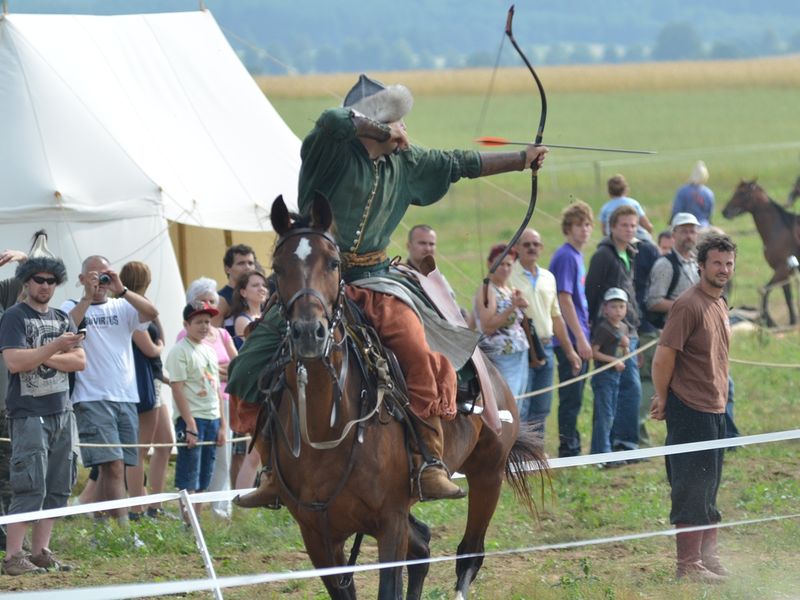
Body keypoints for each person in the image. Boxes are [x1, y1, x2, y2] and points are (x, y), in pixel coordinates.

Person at [228, 73, 548, 506]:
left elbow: (460, 163)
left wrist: (521, 159)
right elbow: (328, 121)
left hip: (378, 282)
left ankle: (429, 461)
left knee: (421, 355)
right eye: (396, 120)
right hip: (313, 282)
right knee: (249, 366)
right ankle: (271, 471)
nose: (404, 129)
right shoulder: (331, 155)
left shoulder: (406, 164)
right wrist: (377, 127)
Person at [650, 233, 737, 582]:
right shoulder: (688, 304)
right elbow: (663, 356)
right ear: (701, 265)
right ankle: (688, 565)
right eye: (717, 263)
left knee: (710, 484)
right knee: (690, 485)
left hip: (716, 408)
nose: (724, 269)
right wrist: (663, 397)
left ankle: (707, 558)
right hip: (691, 408)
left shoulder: (719, 302)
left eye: (729, 263)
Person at [0, 247, 84, 575]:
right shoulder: (14, 317)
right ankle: (13, 557)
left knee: (58, 485)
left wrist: (43, 355)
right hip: (27, 412)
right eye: (38, 280)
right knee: (29, 483)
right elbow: (16, 362)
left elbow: (80, 361)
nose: (45, 286)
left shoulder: (62, 318)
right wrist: (52, 348)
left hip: (62, 409)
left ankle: (41, 551)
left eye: (51, 281)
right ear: (27, 281)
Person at [61, 255, 158, 530]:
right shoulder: (72, 305)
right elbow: (65, 327)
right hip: (91, 396)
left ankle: (101, 527)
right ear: (81, 280)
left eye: (104, 275)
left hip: (125, 396)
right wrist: (87, 299)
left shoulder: (122, 305)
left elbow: (152, 314)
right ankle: (124, 531)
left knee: (112, 466)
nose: (99, 282)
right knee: (113, 464)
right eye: (93, 276)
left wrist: (122, 289)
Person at [510, 228, 580, 438]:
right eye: (526, 244)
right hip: (522, 348)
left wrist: (570, 351)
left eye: (536, 244)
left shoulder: (548, 277)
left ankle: (535, 449)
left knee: (542, 405)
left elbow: (556, 316)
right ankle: (518, 451)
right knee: (522, 402)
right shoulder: (509, 275)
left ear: (541, 248)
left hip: (547, 345)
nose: (532, 248)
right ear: (516, 249)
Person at [585, 204, 642, 455]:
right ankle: (607, 447)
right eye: (624, 225)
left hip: (628, 331)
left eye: (633, 225)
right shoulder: (603, 256)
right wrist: (600, 329)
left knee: (630, 388)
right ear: (612, 227)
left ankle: (625, 443)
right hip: (608, 334)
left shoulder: (630, 252)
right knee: (610, 393)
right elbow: (592, 293)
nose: (630, 229)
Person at [182, 278, 240, 518]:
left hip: (224, 399)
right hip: (199, 402)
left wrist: (218, 371)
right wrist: (217, 370)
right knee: (198, 460)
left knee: (224, 455)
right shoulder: (185, 336)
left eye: (211, 299)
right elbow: (190, 371)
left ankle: (221, 508)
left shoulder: (223, 334)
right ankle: (191, 511)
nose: (208, 303)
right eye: (202, 299)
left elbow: (237, 364)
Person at [118, 261, 171, 520]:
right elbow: (150, 347)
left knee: (165, 442)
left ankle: (154, 503)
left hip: (153, 378)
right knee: (140, 448)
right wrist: (160, 346)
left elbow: (156, 327)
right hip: (143, 381)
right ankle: (137, 507)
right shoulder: (129, 309)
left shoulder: (140, 305)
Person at [165, 303, 226, 509]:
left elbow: (217, 389)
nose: (204, 326)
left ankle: (197, 518)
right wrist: (189, 423)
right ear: (186, 324)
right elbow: (177, 388)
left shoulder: (209, 351)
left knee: (204, 475)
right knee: (189, 474)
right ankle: (188, 523)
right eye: (198, 322)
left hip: (213, 418)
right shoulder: (179, 351)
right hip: (192, 418)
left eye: (207, 322)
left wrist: (223, 425)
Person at [549, 200, 594, 457]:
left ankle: (573, 443)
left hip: (580, 334)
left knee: (576, 396)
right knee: (571, 396)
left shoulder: (577, 255)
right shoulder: (566, 256)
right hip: (569, 337)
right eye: (579, 225)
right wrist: (580, 339)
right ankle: (568, 449)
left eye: (587, 225)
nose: (584, 230)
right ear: (568, 228)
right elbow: (564, 298)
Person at [473, 244, 529, 398]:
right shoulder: (487, 290)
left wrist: (520, 303)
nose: (505, 268)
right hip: (501, 354)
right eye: (500, 264)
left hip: (519, 351)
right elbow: (487, 326)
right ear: (490, 264)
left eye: (508, 264)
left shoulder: (508, 288)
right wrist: (512, 307)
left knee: (520, 400)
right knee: (509, 399)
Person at [0, 248, 27, 549]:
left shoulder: (4, 293)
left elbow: (36, 276)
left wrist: (21, 257)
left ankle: (4, 529)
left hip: (5, 402)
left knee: (7, 471)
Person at [589, 288, 630, 461]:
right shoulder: (603, 329)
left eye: (621, 306)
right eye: (613, 307)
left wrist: (626, 346)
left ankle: (602, 450)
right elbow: (594, 352)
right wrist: (613, 361)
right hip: (603, 377)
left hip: (616, 376)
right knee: (604, 415)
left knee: (611, 413)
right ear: (605, 309)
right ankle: (603, 455)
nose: (618, 310)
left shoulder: (624, 328)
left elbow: (626, 355)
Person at [213, 244, 257, 336]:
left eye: (250, 263)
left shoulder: (257, 294)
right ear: (227, 269)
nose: (247, 267)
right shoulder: (221, 300)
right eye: (241, 263)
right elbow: (213, 339)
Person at [230, 270, 269, 350]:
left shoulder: (267, 315)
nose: (262, 288)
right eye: (255, 285)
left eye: (264, 285)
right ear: (243, 292)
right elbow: (258, 346)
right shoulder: (242, 320)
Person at [671, 161, 714, 227]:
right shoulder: (708, 193)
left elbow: (677, 210)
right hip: (703, 224)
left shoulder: (682, 190)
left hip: (684, 224)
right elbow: (709, 213)